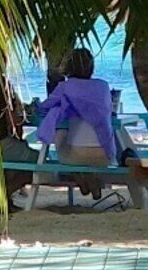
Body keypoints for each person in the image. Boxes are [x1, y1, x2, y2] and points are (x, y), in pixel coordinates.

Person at [34, 47, 122, 176]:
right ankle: (87, 180)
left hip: (75, 156)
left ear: (68, 67)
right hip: (105, 155)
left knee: (62, 131)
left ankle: (82, 179)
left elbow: (44, 107)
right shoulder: (103, 87)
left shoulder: (65, 87)